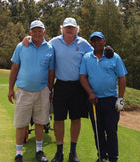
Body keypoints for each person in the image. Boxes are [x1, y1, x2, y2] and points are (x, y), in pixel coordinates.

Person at [23, 17, 93, 162]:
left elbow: (95, 54)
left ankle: (72, 152)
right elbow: (39, 44)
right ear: (62, 29)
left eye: (72, 27)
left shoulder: (83, 43)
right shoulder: (54, 42)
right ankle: (59, 152)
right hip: (60, 85)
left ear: (76, 29)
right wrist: (28, 38)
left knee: (75, 118)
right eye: (67, 27)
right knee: (59, 119)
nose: (69, 30)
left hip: (78, 87)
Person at [8, 20, 55, 162]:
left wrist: (49, 89)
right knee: (21, 123)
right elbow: (15, 67)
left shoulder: (50, 48)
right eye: (34, 30)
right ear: (30, 32)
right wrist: (10, 88)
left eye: (39, 30)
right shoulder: (21, 46)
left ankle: (39, 151)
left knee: (40, 122)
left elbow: (51, 71)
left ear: (44, 31)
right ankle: (19, 153)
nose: (37, 33)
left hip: (42, 91)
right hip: (23, 91)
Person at [79, 31, 127, 162]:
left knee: (111, 130)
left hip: (111, 100)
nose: (97, 43)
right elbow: (82, 77)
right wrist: (90, 93)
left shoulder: (114, 57)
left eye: (99, 40)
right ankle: (102, 156)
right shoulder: (87, 58)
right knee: (98, 131)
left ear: (104, 41)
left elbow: (122, 78)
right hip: (94, 101)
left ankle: (113, 158)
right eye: (94, 41)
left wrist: (120, 99)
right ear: (92, 43)